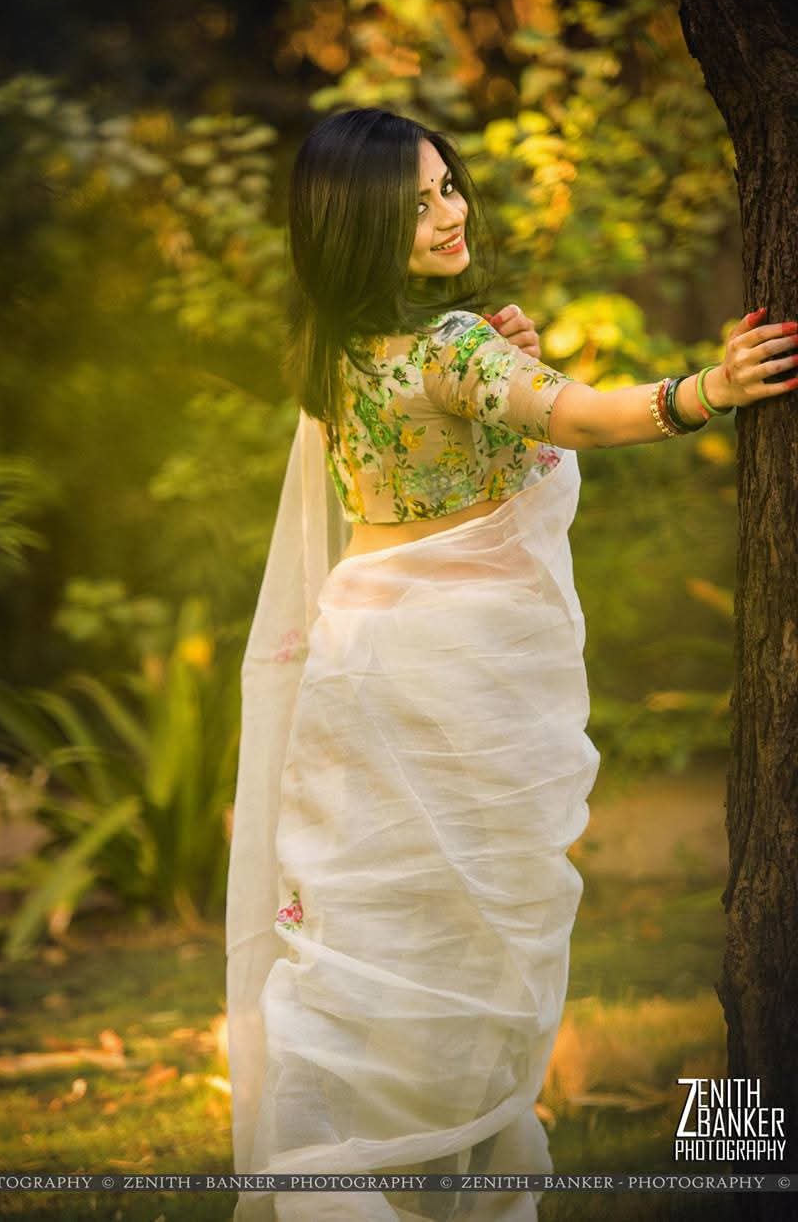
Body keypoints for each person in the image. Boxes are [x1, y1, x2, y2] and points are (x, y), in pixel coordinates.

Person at [223, 105, 793, 1221]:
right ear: (357, 225)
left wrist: (503, 375)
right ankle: (445, 1153)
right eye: (415, 203)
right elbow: (575, 417)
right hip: (454, 670)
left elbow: (462, 445)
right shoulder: (450, 345)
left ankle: (352, 1148)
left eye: (446, 187)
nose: (447, 213)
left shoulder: (333, 357)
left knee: (375, 919)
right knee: (470, 915)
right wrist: (706, 394)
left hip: (361, 663)